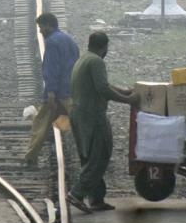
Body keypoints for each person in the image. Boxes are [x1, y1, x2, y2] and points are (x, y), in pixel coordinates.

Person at [66, 31, 136, 212]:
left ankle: (96, 199)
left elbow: (103, 84)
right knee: (100, 156)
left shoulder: (84, 59)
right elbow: (103, 89)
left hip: (79, 113)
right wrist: (129, 100)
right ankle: (77, 193)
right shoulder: (97, 61)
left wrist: (124, 91)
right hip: (92, 115)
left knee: (89, 156)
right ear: (104, 47)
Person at [24, 13, 79, 168]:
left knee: (40, 123)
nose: (40, 31)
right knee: (79, 125)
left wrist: (51, 93)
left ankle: (31, 157)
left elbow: (51, 69)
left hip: (57, 93)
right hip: (72, 91)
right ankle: (87, 155)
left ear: (48, 25)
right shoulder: (69, 40)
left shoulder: (52, 42)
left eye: (41, 27)